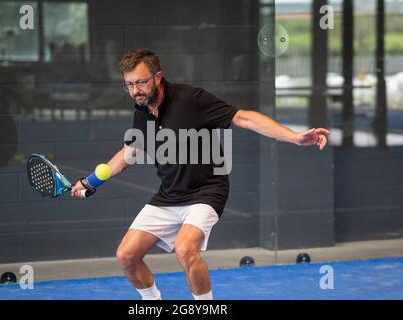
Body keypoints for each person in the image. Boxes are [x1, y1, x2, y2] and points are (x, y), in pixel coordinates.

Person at [71, 49, 330, 300]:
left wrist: (294, 137)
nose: (135, 90)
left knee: (185, 249)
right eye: (129, 84)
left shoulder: (191, 99)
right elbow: (130, 152)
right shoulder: (142, 111)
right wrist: (90, 182)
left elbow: (244, 118)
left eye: (141, 82)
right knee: (126, 255)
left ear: (158, 77)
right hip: (169, 195)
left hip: (206, 192)